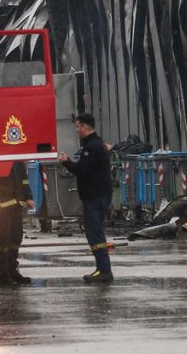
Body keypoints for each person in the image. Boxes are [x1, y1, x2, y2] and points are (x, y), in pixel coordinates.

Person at [58, 113, 114, 284]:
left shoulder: (92, 147)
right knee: (95, 232)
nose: (76, 131)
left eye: (77, 127)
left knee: (95, 233)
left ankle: (104, 270)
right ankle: (102, 269)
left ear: (84, 127)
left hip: (94, 197)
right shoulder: (96, 144)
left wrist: (66, 162)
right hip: (98, 196)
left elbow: (82, 170)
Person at [0, 162, 35, 286]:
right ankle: (3, 274)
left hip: (17, 203)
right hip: (1, 205)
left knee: (16, 237)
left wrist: (28, 196)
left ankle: (12, 270)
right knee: (3, 239)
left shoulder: (17, 160)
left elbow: (24, 180)